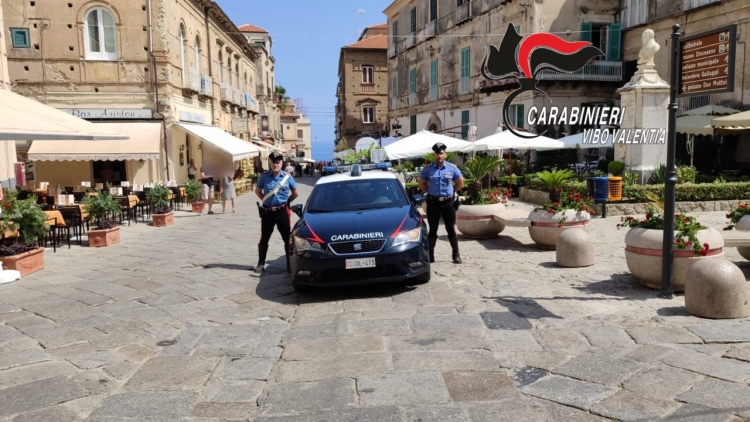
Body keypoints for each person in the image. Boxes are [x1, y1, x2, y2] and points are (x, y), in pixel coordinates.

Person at [418, 142, 464, 264]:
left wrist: (451, 191)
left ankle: (456, 254)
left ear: (445, 155)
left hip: (448, 203)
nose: (439, 156)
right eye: (437, 153)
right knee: (433, 230)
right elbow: (421, 185)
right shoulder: (428, 170)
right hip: (433, 203)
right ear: (434, 155)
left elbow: (460, 183)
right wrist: (431, 191)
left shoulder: (452, 168)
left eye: (441, 153)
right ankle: (430, 255)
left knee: (451, 229)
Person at [255, 152, 298, 273]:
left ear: (281, 163)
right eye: (273, 162)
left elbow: (295, 193)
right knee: (264, 237)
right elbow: (258, 191)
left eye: (278, 162)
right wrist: (265, 200)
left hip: (282, 211)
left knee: (287, 238)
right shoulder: (264, 177)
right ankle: (261, 263)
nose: (275, 164)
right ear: (269, 162)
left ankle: (289, 264)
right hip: (268, 212)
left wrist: (287, 202)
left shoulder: (288, 178)